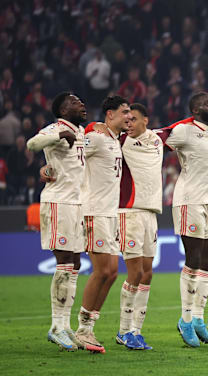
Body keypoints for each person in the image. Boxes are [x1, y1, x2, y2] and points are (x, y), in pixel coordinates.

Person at [26, 92, 93, 352]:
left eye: (81, 100)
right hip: (58, 203)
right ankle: (56, 326)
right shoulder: (57, 128)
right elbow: (32, 144)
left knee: (74, 263)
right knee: (65, 261)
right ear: (62, 109)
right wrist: (58, 136)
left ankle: (64, 326)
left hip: (76, 205)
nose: (82, 104)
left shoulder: (82, 133)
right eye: (76, 102)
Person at [166, 92, 208, 347]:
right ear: (196, 109)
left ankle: (199, 319)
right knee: (194, 259)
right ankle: (186, 320)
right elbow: (159, 138)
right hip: (190, 199)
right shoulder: (183, 131)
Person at [76, 96, 131, 352]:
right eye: (124, 113)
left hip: (110, 214)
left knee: (111, 272)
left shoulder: (113, 139)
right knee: (102, 271)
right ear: (109, 115)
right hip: (94, 212)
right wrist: (49, 168)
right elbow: (74, 152)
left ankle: (89, 326)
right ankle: (82, 329)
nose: (129, 117)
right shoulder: (96, 136)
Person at [115, 103, 162, 350]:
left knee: (147, 273)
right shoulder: (119, 141)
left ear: (146, 119)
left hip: (150, 213)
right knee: (134, 273)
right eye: (126, 119)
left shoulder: (157, 139)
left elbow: (190, 129)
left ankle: (136, 330)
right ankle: (123, 331)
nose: (129, 123)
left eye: (133, 119)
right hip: (129, 212)